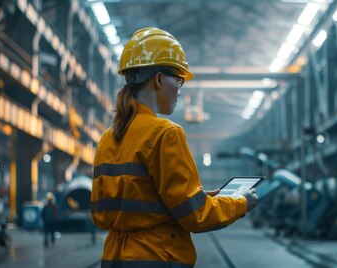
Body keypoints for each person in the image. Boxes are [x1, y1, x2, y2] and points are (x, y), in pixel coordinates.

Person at [90, 27, 258, 268]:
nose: (180, 90)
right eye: (178, 80)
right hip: (157, 258)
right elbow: (195, 216)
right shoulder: (166, 133)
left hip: (114, 259)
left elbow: (101, 214)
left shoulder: (108, 137)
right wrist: (240, 203)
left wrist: (201, 197)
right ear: (158, 79)